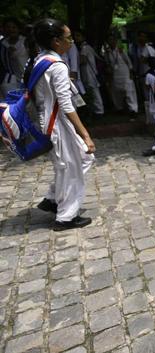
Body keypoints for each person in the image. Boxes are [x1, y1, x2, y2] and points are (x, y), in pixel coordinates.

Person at [29, 18, 96, 231]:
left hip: (48, 121)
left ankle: (52, 198)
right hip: (57, 124)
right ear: (56, 41)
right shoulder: (56, 65)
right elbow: (66, 104)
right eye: (68, 38)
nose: (71, 42)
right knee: (71, 168)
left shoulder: (39, 60)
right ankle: (66, 217)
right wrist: (85, 134)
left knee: (83, 158)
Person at [103, 34, 137, 115]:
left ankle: (133, 110)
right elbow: (107, 64)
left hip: (125, 74)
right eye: (109, 40)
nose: (111, 42)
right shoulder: (107, 52)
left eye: (112, 40)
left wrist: (131, 72)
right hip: (115, 75)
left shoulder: (121, 50)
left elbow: (129, 62)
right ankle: (119, 108)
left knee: (129, 92)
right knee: (116, 93)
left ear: (115, 41)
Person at [74, 30, 104, 118]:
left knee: (94, 92)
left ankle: (99, 111)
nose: (76, 38)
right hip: (89, 74)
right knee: (93, 91)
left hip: (90, 73)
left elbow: (83, 60)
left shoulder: (85, 48)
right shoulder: (86, 47)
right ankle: (97, 110)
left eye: (78, 36)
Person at [0, 19, 28, 98]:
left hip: (26, 78)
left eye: (14, 27)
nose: (11, 30)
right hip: (9, 80)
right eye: (8, 27)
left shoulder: (25, 41)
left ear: (19, 29)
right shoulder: (2, 43)